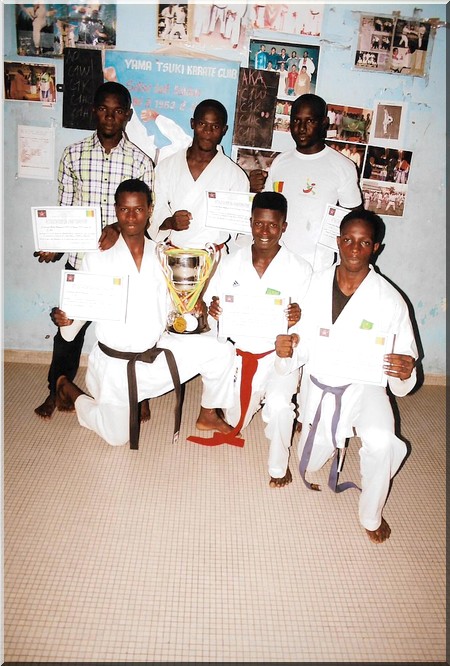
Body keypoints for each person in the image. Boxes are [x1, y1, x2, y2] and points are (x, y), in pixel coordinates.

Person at [52, 179, 236, 448]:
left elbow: (173, 306)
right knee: (117, 438)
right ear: (115, 210)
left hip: (154, 354)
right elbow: (75, 322)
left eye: (138, 209)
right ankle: (69, 390)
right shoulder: (97, 257)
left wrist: (193, 305)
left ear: (150, 210)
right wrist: (67, 319)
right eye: (124, 210)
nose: (131, 217)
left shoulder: (162, 255)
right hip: (115, 364)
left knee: (221, 351)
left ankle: (208, 413)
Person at [275, 209, 418, 543]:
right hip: (321, 382)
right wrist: (289, 348)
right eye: (349, 240)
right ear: (338, 242)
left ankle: (371, 514)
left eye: (364, 242)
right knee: (311, 464)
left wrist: (406, 371)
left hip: (366, 386)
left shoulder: (390, 300)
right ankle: (324, 438)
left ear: (376, 248)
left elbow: (404, 367)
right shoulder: (314, 284)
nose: (355, 248)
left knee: (382, 441)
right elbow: (300, 342)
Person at [34, 82, 154, 420]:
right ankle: (56, 387)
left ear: (128, 115)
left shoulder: (141, 162)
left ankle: (139, 393)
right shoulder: (72, 155)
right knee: (68, 330)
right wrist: (55, 245)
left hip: (123, 263)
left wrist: (116, 227)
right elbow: (65, 209)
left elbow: (144, 213)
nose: (110, 117)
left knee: (133, 326)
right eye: (103, 109)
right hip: (81, 261)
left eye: (118, 111)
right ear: (93, 111)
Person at [193, 192, 312, 486]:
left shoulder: (300, 268)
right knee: (235, 422)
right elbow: (212, 304)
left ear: (284, 227)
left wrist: (299, 317)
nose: (264, 231)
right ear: (250, 223)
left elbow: (310, 323)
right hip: (242, 356)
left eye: (273, 225)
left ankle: (278, 466)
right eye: (259, 224)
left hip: (277, 357)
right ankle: (264, 406)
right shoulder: (230, 263)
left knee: (281, 406)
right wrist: (214, 310)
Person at [249, 94, 362, 271]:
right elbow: (266, 209)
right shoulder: (280, 162)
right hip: (277, 261)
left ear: (324, 123)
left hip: (317, 266)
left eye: (310, 121)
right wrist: (253, 189)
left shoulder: (342, 166)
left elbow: (355, 221)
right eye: (296, 121)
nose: (301, 128)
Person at [149, 99, 249, 250]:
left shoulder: (235, 175)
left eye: (215, 126)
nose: (208, 131)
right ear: (192, 123)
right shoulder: (167, 166)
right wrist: (170, 222)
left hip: (215, 257)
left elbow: (238, 230)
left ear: (224, 130)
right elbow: (155, 210)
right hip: (173, 253)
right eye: (202, 124)